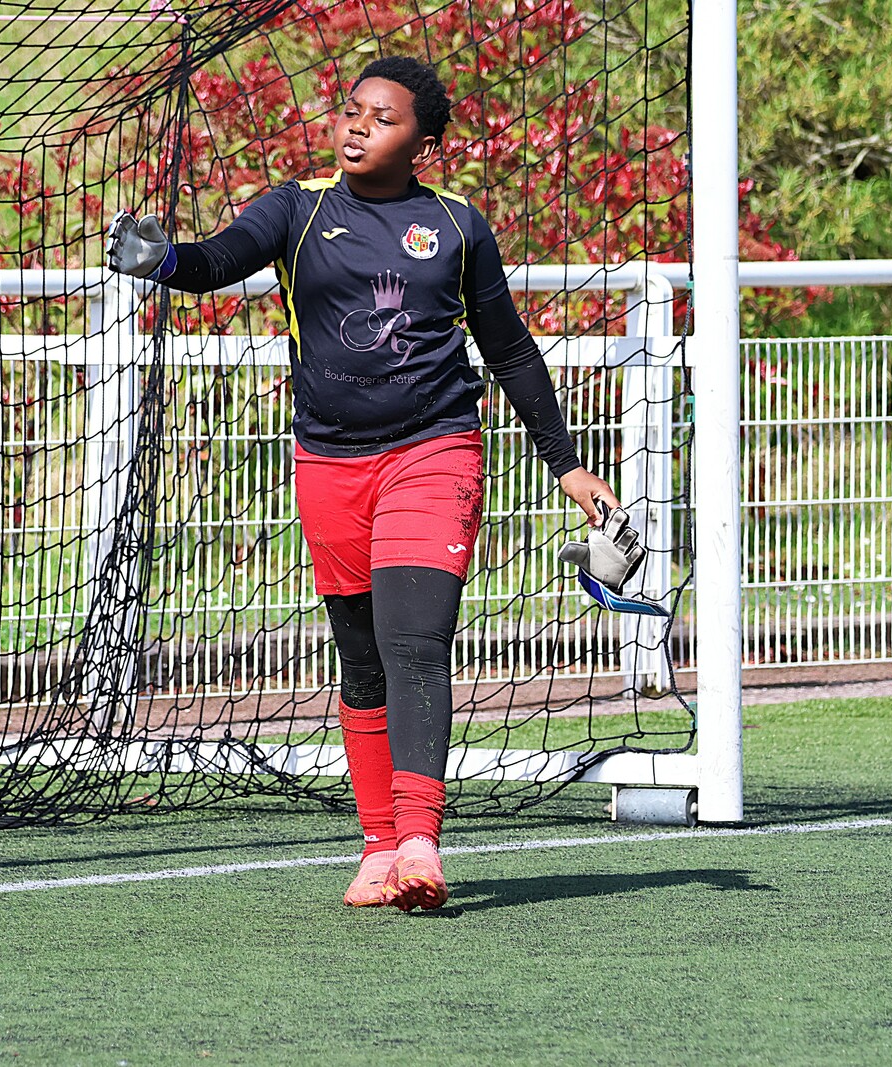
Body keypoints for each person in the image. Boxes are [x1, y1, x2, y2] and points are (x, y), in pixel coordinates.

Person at [108, 56, 624, 912]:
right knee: (362, 659)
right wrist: (161, 259)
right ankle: (379, 845)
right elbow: (217, 260)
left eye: (383, 118)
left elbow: (510, 348)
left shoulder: (456, 225)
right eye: (352, 110)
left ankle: (420, 839)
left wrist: (567, 464)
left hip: (435, 452)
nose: (357, 126)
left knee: (414, 641)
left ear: (425, 143)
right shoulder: (297, 207)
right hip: (329, 464)